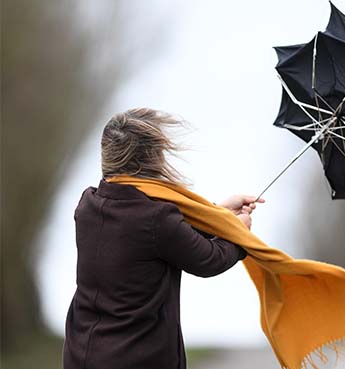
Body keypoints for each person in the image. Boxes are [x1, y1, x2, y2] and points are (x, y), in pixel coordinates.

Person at [62, 108, 264, 369]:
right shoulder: (155, 218)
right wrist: (239, 235)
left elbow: (168, 238)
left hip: (82, 354)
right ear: (152, 158)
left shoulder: (88, 204)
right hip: (135, 358)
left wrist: (220, 214)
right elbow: (208, 259)